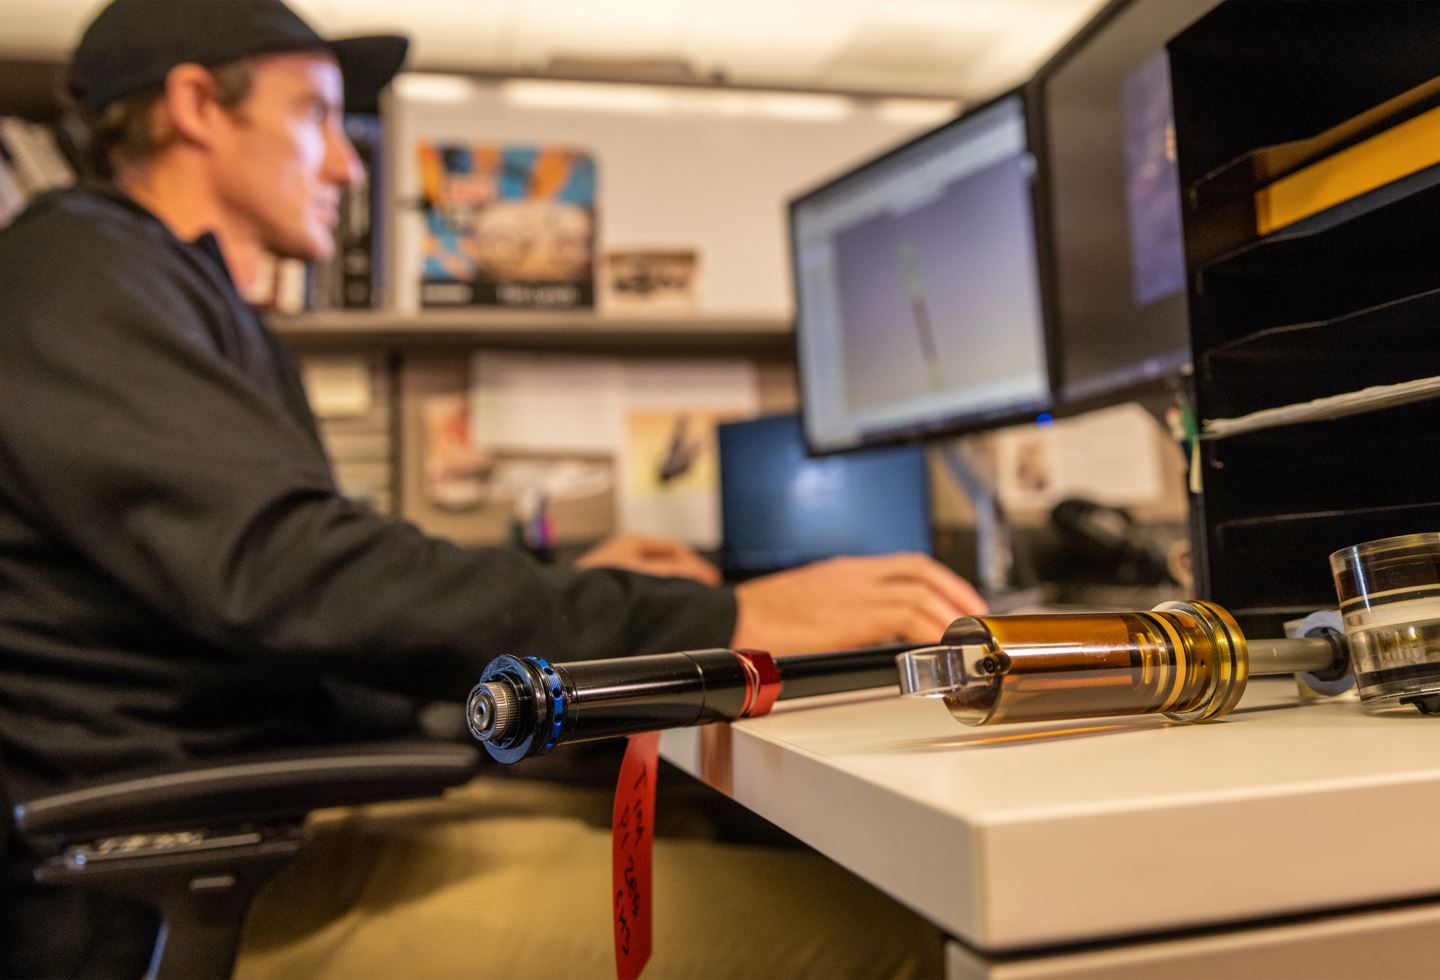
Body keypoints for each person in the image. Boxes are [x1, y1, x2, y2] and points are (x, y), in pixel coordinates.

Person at [0, 0, 984, 975]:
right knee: (903, 943)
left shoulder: (167, 295)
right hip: (204, 883)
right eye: (317, 117)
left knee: (714, 819)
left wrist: (560, 581)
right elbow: (291, 574)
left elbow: (299, 592)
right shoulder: (76, 267)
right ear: (196, 105)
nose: (347, 163)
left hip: (263, 815)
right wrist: (720, 612)